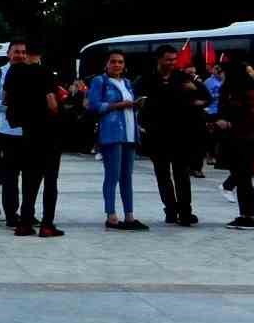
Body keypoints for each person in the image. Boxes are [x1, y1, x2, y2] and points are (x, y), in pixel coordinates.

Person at [140, 45, 207, 226]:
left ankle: (185, 211)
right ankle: (170, 209)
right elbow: (137, 99)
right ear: (159, 59)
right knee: (162, 175)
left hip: (181, 134)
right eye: (169, 59)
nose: (172, 63)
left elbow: (206, 96)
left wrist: (194, 96)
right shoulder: (147, 79)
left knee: (182, 174)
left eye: (174, 59)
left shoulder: (182, 77)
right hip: (157, 135)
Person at [86, 50, 148, 231]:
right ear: (106, 64)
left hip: (129, 131)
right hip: (111, 132)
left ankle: (129, 215)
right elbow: (93, 106)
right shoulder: (100, 81)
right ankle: (111, 215)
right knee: (112, 175)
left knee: (127, 176)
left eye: (120, 62)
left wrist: (136, 105)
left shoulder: (127, 83)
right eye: (113, 62)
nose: (117, 65)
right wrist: (118, 105)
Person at [4, 45, 61, 237]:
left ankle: (25, 223)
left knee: (29, 180)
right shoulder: (44, 72)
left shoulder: (13, 73)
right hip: (48, 131)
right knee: (50, 180)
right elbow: (51, 102)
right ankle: (47, 225)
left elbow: (5, 99)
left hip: (27, 132)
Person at [214, 60, 254, 230]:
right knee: (243, 179)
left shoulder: (243, 91)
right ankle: (245, 215)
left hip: (246, 140)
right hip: (240, 139)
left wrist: (230, 124)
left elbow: (251, 116)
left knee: (244, 177)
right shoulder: (239, 88)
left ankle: (250, 216)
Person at [0, 40, 30, 226]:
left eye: (23, 52)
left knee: (28, 176)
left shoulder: (31, 72)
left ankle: (27, 211)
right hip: (7, 132)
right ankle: (11, 214)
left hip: (28, 132)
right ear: (8, 53)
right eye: (16, 51)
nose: (20, 55)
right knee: (10, 176)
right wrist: (12, 106)